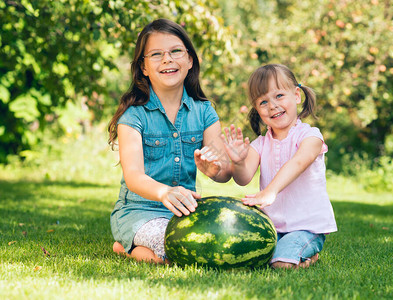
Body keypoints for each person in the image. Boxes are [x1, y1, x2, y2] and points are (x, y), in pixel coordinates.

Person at [107, 19, 231, 264]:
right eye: (156, 54)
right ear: (143, 67)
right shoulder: (133, 116)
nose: (167, 59)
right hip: (139, 211)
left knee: (213, 247)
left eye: (176, 51)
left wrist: (215, 169)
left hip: (185, 213)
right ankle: (126, 245)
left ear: (189, 60)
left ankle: (131, 246)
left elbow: (224, 172)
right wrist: (164, 192)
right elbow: (133, 176)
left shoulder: (205, 112)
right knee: (175, 254)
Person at [221, 64, 337, 269]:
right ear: (257, 110)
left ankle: (308, 257)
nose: (272, 105)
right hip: (272, 228)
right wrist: (238, 162)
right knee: (246, 258)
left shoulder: (310, 136)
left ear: (297, 95)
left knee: (280, 264)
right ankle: (290, 252)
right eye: (263, 101)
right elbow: (243, 177)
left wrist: (270, 192)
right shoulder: (260, 144)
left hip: (306, 227)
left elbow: (299, 162)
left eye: (279, 96)